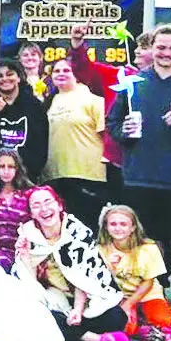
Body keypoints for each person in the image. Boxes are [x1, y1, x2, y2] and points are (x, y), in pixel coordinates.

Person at [107, 24, 171, 293]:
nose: (167, 53)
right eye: (161, 47)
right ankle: (153, 297)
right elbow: (112, 123)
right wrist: (123, 131)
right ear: (152, 48)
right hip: (139, 176)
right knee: (146, 243)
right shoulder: (133, 84)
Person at [14, 186, 131, 341]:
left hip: (83, 298)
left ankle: (70, 331)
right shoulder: (29, 234)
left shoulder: (77, 232)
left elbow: (83, 276)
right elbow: (30, 284)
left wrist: (78, 309)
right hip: (54, 297)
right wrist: (25, 256)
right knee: (32, 313)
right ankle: (96, 339)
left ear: (59, 205)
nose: (44, 209)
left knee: (117, 318)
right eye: (36, 205)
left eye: (48, 202)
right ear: (31, 213)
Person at [97, 205, 171, 341]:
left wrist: (129, 304)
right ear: (106, 227)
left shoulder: (148, 248)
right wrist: (111, 269)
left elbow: (148, 282)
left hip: (146, 292)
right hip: (119, 294)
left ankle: (162, 314)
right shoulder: (100, 249)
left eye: (123, 224)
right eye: (113, 224)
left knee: (161, 320)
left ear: (133, 227)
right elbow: (102, 281)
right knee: (126, 328)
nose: (118, 228)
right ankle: (141, 323)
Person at [41, 58, 107, 230]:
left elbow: (107, 136)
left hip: (87, 175)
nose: (61, 74)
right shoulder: (49, 103)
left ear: (76, 74)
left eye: (66, 70)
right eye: (56, 71)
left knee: (87, 228)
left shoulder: (94, 100)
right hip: (54, 175)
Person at [0, 59, 49, 181]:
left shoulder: (35, 106)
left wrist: (28, 173)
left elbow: (41, 147)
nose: (5, 79)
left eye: (10, 74)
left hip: (26, 177)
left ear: (19, 77)